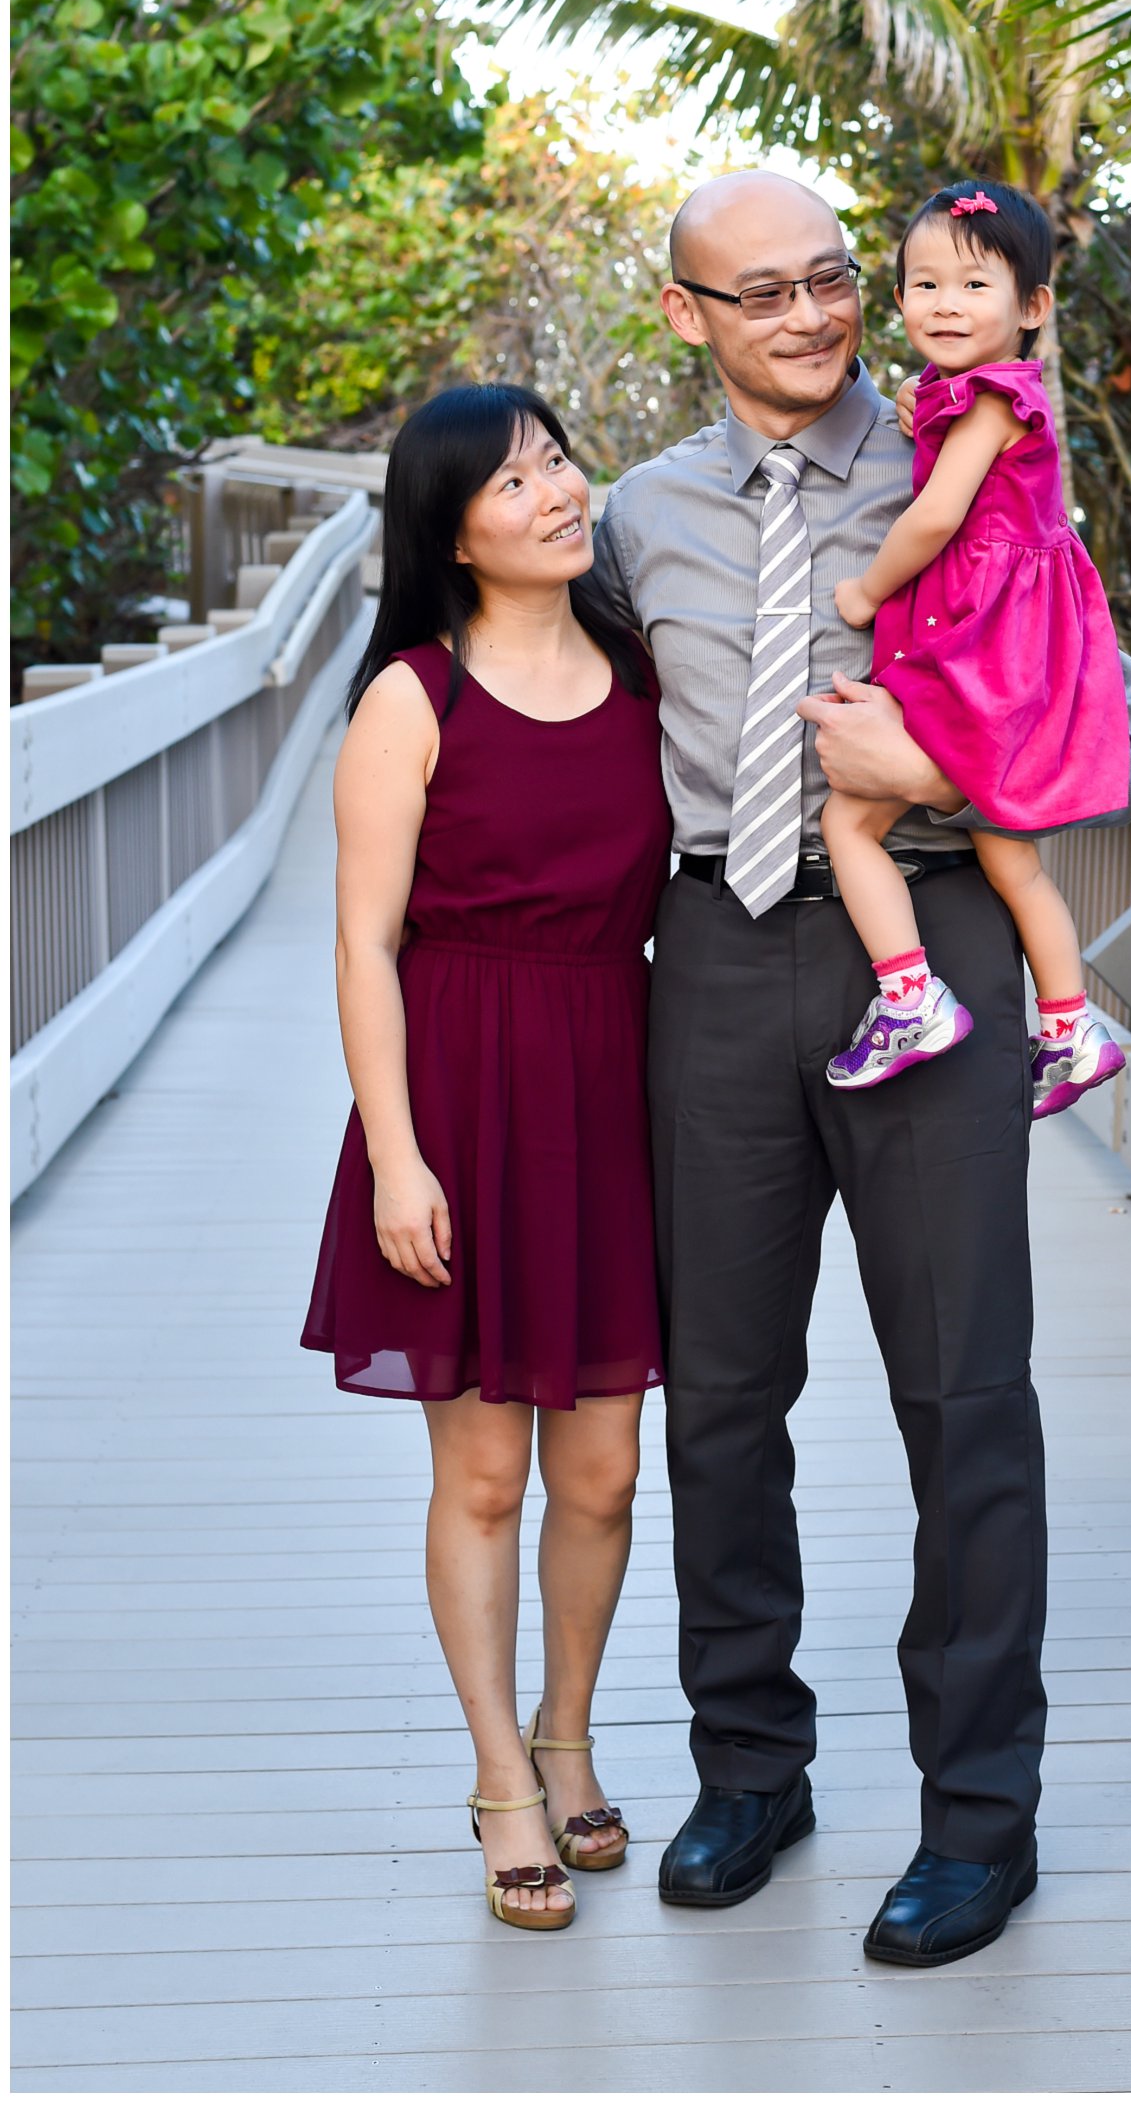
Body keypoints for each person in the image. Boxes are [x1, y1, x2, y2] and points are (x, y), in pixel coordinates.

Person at [586, 170, 1131, 1968]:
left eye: (836, 278)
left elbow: (1103, 727)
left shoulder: (968, 462)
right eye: (762, 293)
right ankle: (750, 1765)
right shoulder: (629, 520)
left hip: (931, 945)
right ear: (686, 313)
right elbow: (552, 733)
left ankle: (983, 1819)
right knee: (724, 1397)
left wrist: (937, 776)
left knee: (964, 1391)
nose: (816, 316)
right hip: (719, 958)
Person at [302, 384, 668, 1934]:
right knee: (486, 1469)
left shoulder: (646, 671)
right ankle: (499, 1773)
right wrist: (396, 1156)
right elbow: (363, 942)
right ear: (451, 526)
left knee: (601, 1464)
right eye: (515, 480)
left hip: (610, 1079)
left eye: (560, 461)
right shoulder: (414, 694)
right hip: (455, 1084)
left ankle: (571, 1730)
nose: (558, 491)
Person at [824, 179, 1130, 1114]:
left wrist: (868, 588)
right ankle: (1070, 1024)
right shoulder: (977, 399)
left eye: (972, 286)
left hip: (977, 649)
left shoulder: (994, 401)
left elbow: (937, 517)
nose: (944, 305)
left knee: (847, 821)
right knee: (1012, 862)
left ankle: (909, 994)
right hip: (1011, 653)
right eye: (923, 286)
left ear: (1032, 307)